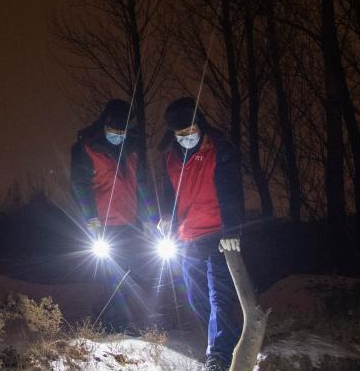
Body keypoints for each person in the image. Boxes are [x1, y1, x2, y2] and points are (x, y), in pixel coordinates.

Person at [160, 96, 243, 371]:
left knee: (219, 293)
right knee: (196, 297)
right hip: (188, 236)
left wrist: (232, 228)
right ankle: (220, 341)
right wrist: (167, 219)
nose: (186, 137)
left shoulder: (220, 148)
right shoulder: (171, 157)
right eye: (180, 134)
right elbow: (170, 193)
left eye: (190, 131)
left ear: (199, 124)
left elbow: (231, 190)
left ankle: (219, 354)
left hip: (219, 233)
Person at [70, 98, 156, 333]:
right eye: (113, 131)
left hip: (130, 223)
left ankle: (119, 320)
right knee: (112, 275)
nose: (117, 135)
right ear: (104, 125)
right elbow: (80, 185)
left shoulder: (132, 151)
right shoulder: (86, 149)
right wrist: (91, 217)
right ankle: (115, 324)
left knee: (130, 273)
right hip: (103, 224)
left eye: (122, 132)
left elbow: (141, 186)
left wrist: (148, 218)